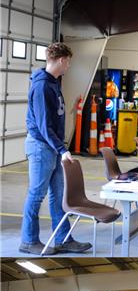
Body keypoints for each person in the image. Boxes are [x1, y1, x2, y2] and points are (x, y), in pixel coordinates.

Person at [20, 42, 90, 255]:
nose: (69, 66)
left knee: (59, 195)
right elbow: (43, 124)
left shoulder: (53, 82)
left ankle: (63, 239)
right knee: (36, 194)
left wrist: (60, 147)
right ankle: (28, 240)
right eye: (68, 62)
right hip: (41, 147)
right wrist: (61, 149)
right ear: (61, 60)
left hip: (52, 147)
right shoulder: (42, 86)